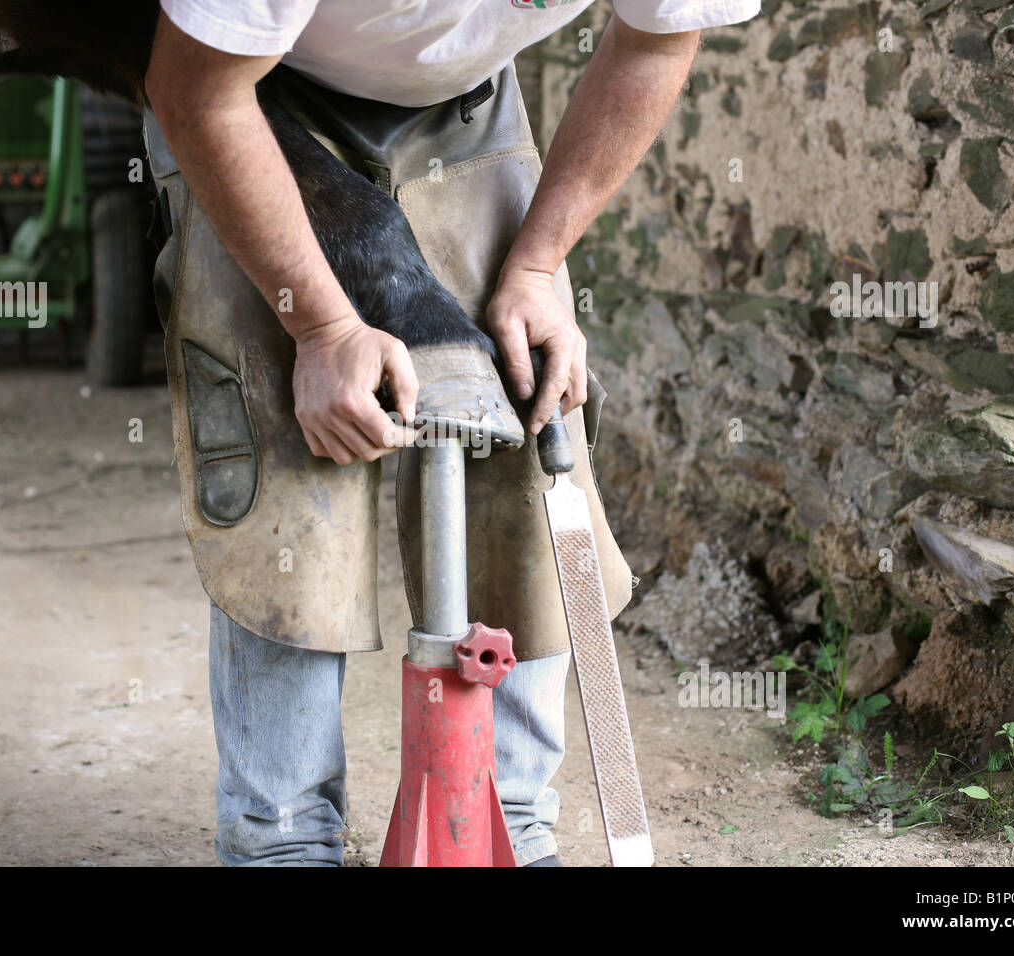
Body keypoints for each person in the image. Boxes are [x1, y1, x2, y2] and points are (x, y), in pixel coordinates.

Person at [141, 0, 758, 866]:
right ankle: (279, 838)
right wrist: (320, 329)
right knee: (294, 450)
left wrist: (539, 263)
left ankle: (507, 818)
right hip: (246, 96)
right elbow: (195, 90)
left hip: (467, 111)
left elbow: (657, 42)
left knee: (526, 417)